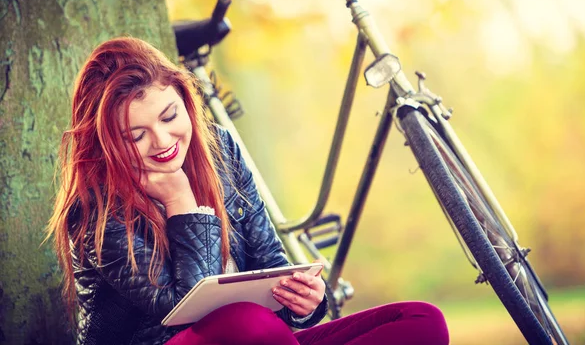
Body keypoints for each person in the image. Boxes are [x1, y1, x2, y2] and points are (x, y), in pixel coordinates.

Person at [47, 37, 449, 345]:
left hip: (263, 338)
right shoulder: (95, 208)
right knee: (247, 323)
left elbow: (270, 261)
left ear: (185, 100)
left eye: (170, 116)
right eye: (137, 135)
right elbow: (187, 314)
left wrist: (304, 305)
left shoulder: (219, 148)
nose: (163, 140)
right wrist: (181, 202)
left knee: (421, 320)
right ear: (109, 143)